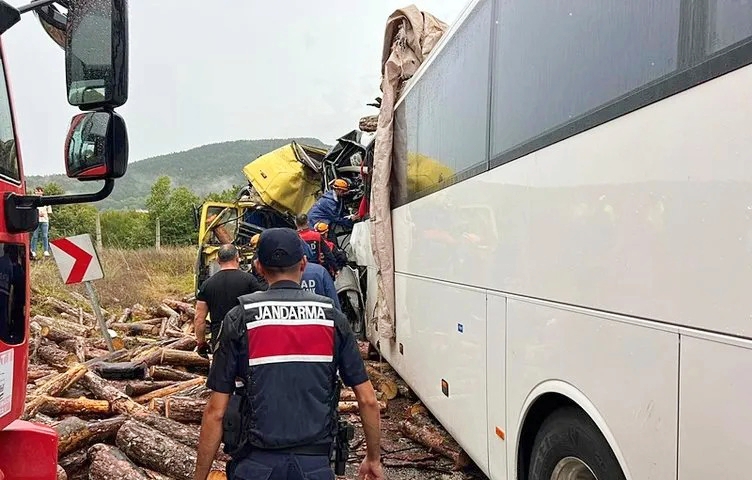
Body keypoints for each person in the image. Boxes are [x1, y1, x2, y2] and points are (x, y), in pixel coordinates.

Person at [194, 228, 384, 480]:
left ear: (259, 267)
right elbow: (368, 399)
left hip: (255, 464)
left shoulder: (240, 318)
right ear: (303, 263)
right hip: (314, 465)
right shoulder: (332, 318)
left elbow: (216, 411)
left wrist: (200, 476)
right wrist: (373, 458)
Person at [194, 244, 266, 356]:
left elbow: (199, 318)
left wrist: (201, 343)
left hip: (220, 339)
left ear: (218, 260)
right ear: (237, 258)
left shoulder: (207, 285)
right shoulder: (250, 281)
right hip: (245, 337)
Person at [30, 187, 52, 259]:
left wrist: (44, 214)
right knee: (35, 236)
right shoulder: (33, 201)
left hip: (44, 220)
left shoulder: (46, 201)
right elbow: (31, 210)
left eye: (39, 191)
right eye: (36, 191)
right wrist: (37, 214)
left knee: (45, 236)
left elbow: (49, 212)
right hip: (35, 220)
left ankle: (46, 250)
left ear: (42, 192)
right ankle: (33, 250)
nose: (38, 192)